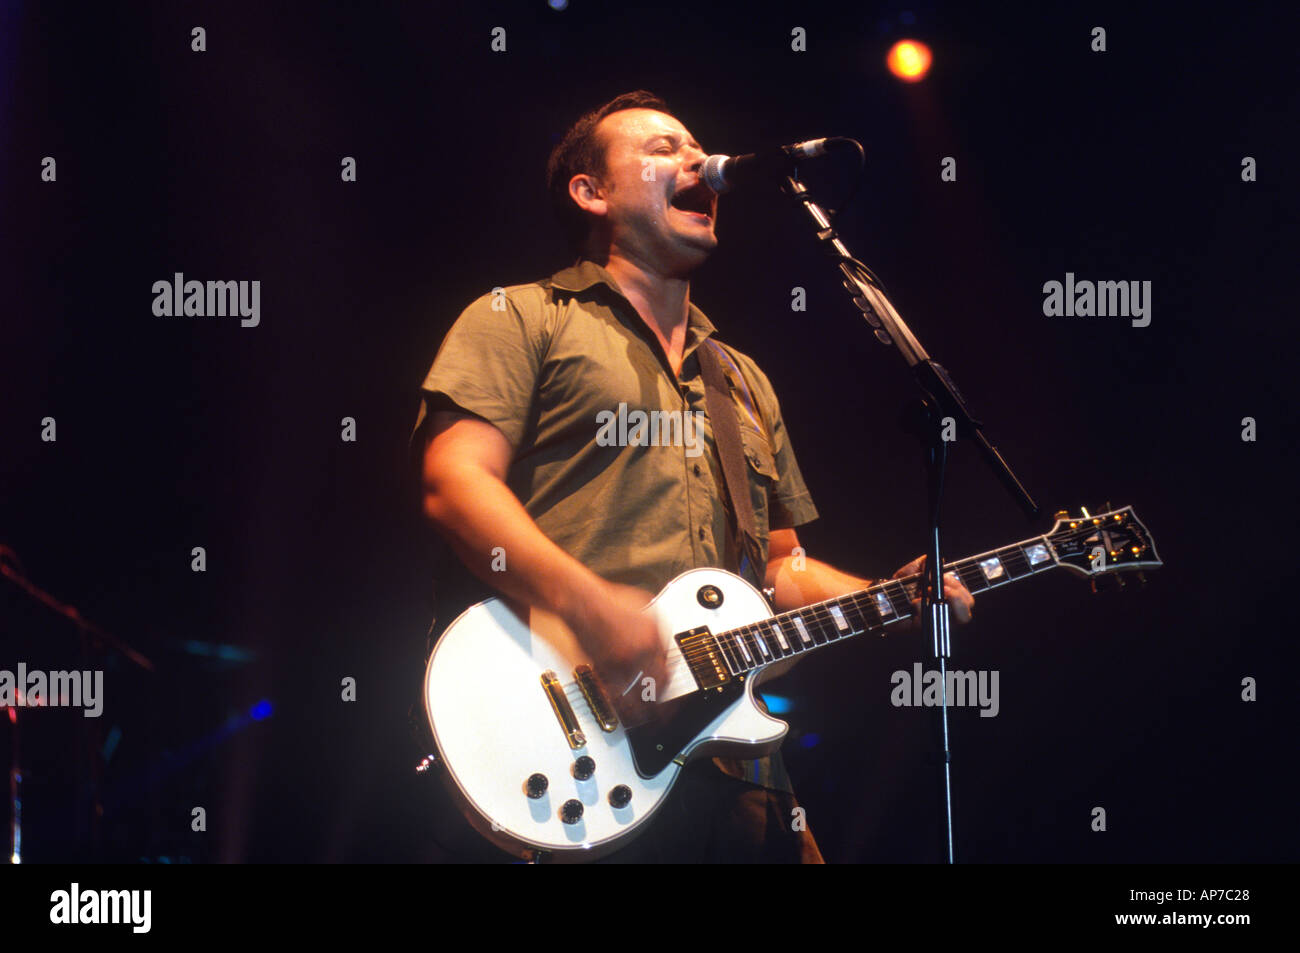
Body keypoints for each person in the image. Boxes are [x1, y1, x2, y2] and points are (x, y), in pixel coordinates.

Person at [411, 90, 974, 863]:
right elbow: (455, 483)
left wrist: (893, 596)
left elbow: (782, 567)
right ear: (592, 191)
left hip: (742, 770)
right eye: (662, 148)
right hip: (575, 746)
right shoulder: (521, 317)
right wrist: (596, 607)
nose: (694, 161)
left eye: (696, 147)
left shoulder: (742, 379)